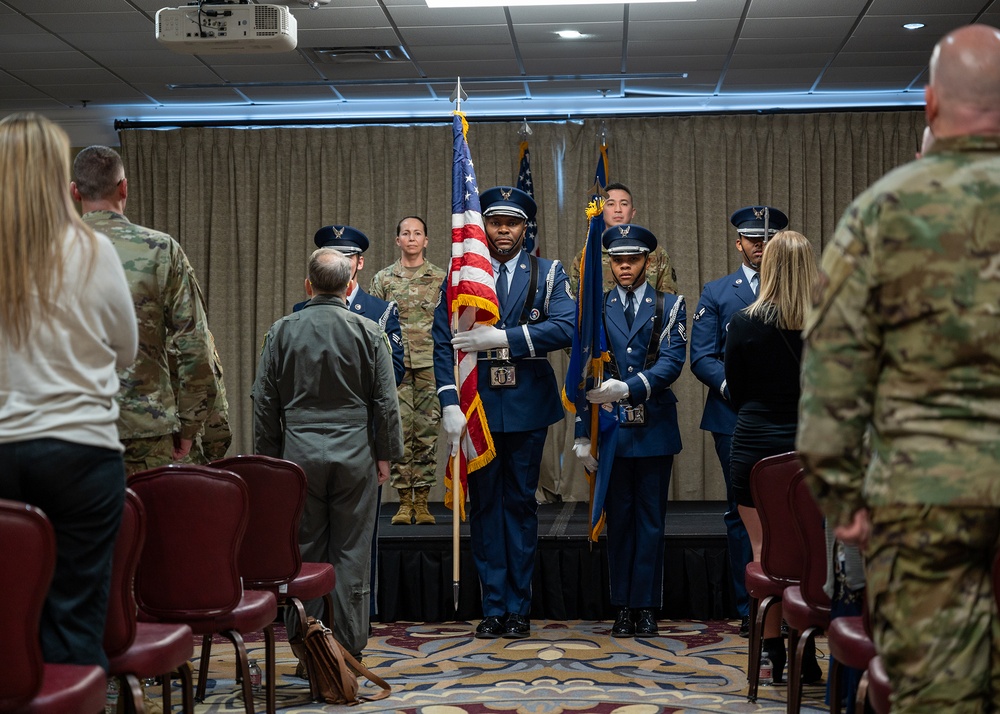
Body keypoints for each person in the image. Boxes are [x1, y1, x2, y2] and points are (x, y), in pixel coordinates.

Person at [797, 24, 1000, 713]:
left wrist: (840, 493)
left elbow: (832, 373)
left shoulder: (882, 211)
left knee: (941, 694)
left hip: (921, 497)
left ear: (931, 102)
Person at [0, 113, 138, 669]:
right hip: (81, 451)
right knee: (75, 614)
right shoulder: (90, 250)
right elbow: (126, 350)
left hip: (4, 447)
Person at [432, 185, 575, 639]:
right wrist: (449, 401)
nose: (503, 230)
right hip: (476, 406)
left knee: (520, 506)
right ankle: (493, 607)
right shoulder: (461, 274)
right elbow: (441, 342)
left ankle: (519, 608)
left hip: (527, 404)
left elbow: (567, 326)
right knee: (486, 508)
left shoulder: (548, 272)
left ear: (525, 227)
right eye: (495, 222)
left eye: (512, 223)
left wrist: (504, 339)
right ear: (484, 226)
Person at [253, 245, 403, 660]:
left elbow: (264, 402)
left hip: (297, 454)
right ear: (350, 285)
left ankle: (310, 656)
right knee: (352, 553)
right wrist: (386, 454)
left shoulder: (281, 330)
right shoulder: (369, 331)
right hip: (355, 450)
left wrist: (269, 461)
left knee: (303, 555)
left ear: (308, 285)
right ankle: (348, 652)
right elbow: (386, 403)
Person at [571, 224, 687, 638]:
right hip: (611, 429)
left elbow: (672, 362)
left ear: (647, 262)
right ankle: (622, 604)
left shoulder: (670, 305)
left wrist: (631, 387)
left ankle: (647, 604)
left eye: (632, 260)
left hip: (652, 424)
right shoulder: (596, 308)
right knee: (619, 519)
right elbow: (583, 371)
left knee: (651, 521)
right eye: (617, 260)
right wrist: (583, 431)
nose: (624, 267)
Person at [71, 145, 215, 476]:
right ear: (124, 187)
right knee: (149, 527)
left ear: (74, 191)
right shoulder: (161, 250)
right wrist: (190, 427)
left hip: (69, 430)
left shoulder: (44, 253)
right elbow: (194, 343)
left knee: (79, 528)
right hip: (146, 430)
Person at [723, 229, 820, 683]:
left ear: (770, 267)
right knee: (810, 553)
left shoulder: (743, 322)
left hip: (756, 447)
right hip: (812, 448)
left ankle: (777, 655)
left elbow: (737, 393)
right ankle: (811, 654)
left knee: (766, 554)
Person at [690, 204, 788, 637]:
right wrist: (737, 388)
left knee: (788, 511)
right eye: (752, 239)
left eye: (767, 239)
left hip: (789, 417)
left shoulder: (797, 291)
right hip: (734, 416)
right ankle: (748, 606)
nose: (760, 247)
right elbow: (702, 356)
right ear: (739, 243)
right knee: (739, 513)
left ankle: (788, 605)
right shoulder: (718, 292)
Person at [369, 216, 446, 525]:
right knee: (398, 431)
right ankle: (403, 501)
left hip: (430, 365)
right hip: (395, 366)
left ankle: (424, 500)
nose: (411, 238)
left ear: (426, 240)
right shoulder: (383, 279)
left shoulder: (441, 278)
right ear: (397, 240)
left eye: (417, 233)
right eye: (405, 233)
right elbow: (373, 326)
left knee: (427, 433)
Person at [295, 225, 404, 387]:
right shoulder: (301, 310)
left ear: (360, 263)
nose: (338, 265)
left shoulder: (381, 312)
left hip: (360, 407)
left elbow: (393, 373)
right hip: (312, 405)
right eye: (332, 257)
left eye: (346, 258)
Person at [569, 182, 678, 295]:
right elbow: (575, 304)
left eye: (624, 204)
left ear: (633, 212)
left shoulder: (655, 253)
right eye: (611, 204)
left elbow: (667, 300)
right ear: (601, 211)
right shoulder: (586, 257)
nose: (618, 209)